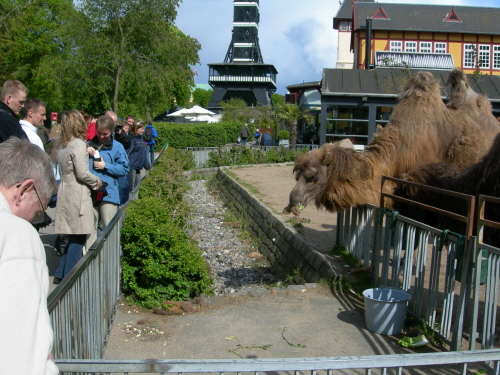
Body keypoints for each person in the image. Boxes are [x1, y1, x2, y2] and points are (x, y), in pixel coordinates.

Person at [0, 137, 59, 374]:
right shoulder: (16, 234)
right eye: (37, 213)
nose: (33, 221)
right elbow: (19, 352)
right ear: (25, 190)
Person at [54, 111, 102, 283]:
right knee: (79, 235)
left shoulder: (63, 145)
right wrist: (98, 182)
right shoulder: (78, 144)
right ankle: (70, 277)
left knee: (72, 235)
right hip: (77, 192)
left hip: (65, 190)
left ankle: (60, 274)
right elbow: (82, 173)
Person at [87, 115, 129, 229]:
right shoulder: (88, 145)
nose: (101, 136)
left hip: (109, 193)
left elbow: (125, 169)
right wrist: (84, 151)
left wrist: (106, 166)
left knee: (108, 229)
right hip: (90, 193)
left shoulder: (118, 147)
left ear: (111, 131)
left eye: (105, 134)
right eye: (99, 133)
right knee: (89, 230)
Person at [128, 122, 151, 191]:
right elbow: (127, 152)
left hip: (138, 166)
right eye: (141, 129)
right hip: (132, 166)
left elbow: (143, 154)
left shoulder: (141, 139)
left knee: (137, 186)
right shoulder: (131, 139)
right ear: (136, 129)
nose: (143, 130)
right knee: (131, 188)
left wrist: (147, 165)